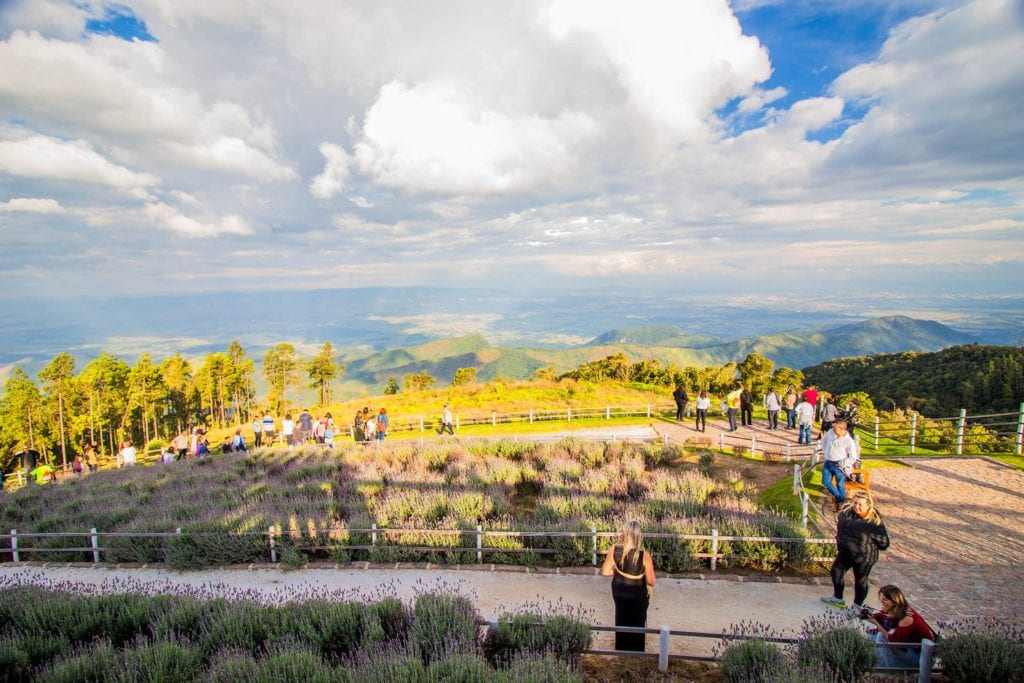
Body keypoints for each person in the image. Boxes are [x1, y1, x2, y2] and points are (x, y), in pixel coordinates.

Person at [822, 491, 889, 611]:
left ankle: (857, 606)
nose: (856, 506)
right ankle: (838, 598)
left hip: (863, 557)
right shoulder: (847, 513)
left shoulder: (874, 522)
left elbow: (884, 543)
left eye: (860, 505)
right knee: (836, 572)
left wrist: (864, 542)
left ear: (868, 506)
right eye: (855, 503)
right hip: (846, 552)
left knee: (860, 581)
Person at [600, 520, 656, 652]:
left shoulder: (615, 550)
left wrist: (616, 569)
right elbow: (651, 581)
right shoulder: (644, 556)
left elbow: (605, 571)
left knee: (621, 616)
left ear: (624, 534)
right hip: (637, 594)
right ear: (638, 536)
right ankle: (636, 650)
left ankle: (621, 647)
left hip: (620, 592)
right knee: (637, 619)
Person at [863, 585, 936, 669]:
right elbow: (882, 616)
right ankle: (878, 667)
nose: (881, 602)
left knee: (881, 637)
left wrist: (877, 624)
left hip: (923, 658)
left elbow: (894, 642)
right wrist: (865, 614)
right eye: (881, 599)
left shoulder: (907, 617)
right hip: (910, 650)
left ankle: (892, 671)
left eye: (885, 600)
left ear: (894, 601)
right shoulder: (897, 610)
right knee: (872, 635)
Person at [820, 420, 857, 509]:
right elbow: (824, 441)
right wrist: (825, 452)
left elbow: (853, 456)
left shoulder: (849, 441)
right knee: (825, 481)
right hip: (828, 462)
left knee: (840, 484)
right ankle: (841, 499)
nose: (833, 429)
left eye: (835, 428)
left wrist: (844, 463)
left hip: (839, 464)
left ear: (841, 429)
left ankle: (839, 503)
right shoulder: (830, 433)